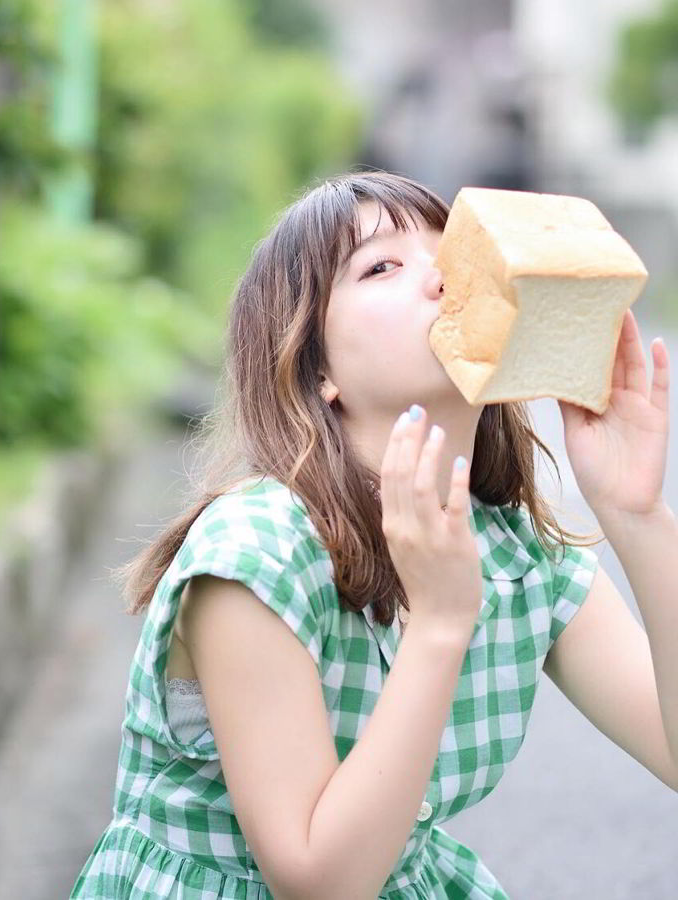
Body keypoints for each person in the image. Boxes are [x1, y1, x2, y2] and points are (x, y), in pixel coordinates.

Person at [70, 169, 610, 899]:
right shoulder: (257, 548)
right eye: (382, 265)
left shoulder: (512, 547)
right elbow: (319, 883)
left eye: (451, 256)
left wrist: (636, 514)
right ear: (317, 365)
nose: (443, 280)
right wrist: (441, 622)